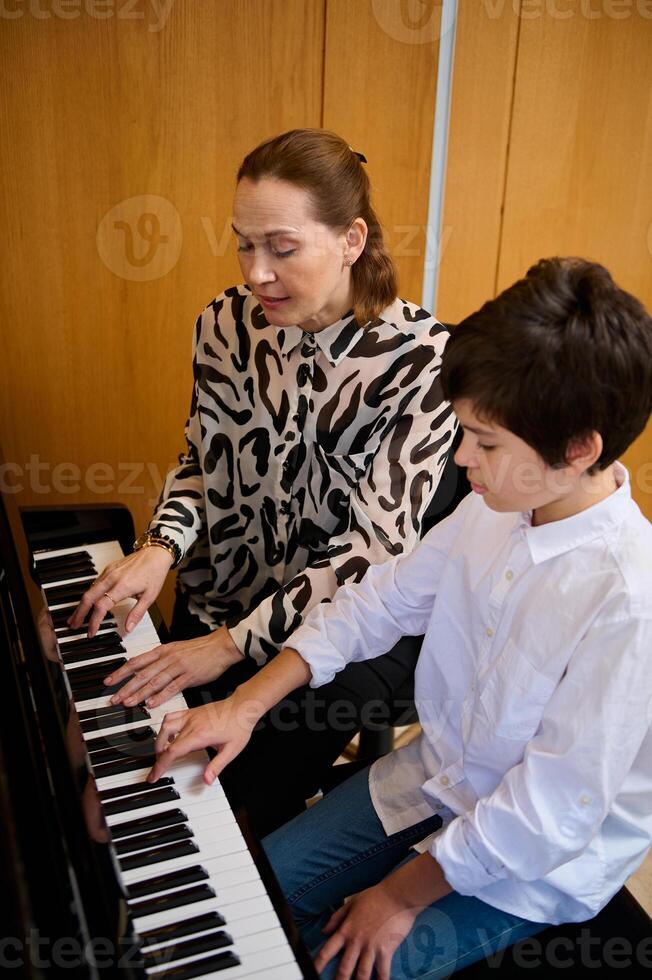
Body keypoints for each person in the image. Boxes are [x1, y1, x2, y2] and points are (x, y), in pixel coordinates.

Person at [147, 257, 652, 979]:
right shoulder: (492, 509)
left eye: (485, 442)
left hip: (532, 860)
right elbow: (372, 604)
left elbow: (547, 817)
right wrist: (244, 704)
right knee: (245, 901)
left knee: (323, 964)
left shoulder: (630, 598)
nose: (460, 459)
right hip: (437, 777)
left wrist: (395, 895)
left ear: (579, 451)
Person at [69, 128, 457, 835]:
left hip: (333, 638)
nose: (256, 272)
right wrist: (161, 547)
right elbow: (199, 460)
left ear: (350, 240)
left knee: (202, 808)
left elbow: (370, 555)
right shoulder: (223, 323)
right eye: (244, 243)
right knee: (114, 765)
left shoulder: (424, 364)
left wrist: (229, 647)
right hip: (223, 596)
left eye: (282, 248)